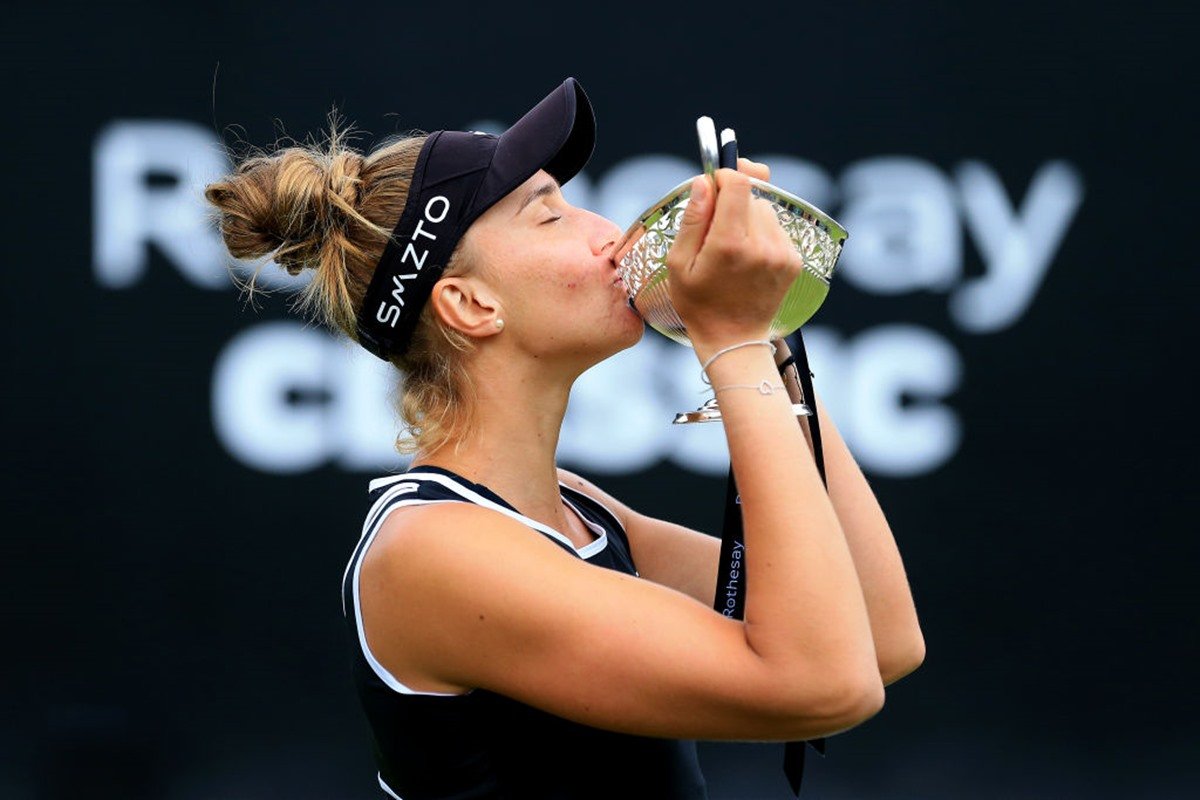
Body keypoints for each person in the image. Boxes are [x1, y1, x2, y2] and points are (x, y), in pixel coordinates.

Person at [205, 77, 924, 800]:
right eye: (549, 216)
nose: (607, 231)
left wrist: (770, 335)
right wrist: (732, 339)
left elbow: (880, 634)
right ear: (471, 304)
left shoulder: (575, 511)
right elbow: (827, 686)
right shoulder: (432, 553)